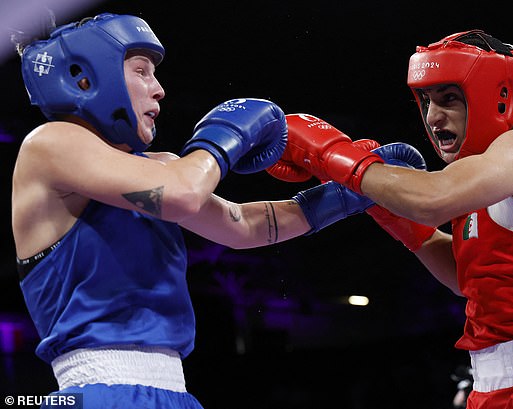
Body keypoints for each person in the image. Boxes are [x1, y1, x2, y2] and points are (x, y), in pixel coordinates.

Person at [10, 11, 424, 409]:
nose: (159, 89)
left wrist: (349, 192)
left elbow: (244, 226)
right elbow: (185, 193)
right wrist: (223, 138)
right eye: (140, 71)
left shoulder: (160, 169)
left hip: (174, 391)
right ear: (86, 76)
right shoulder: (51, 144)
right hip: (99, 388)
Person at [265, 30, 513, 408]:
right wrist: (402, 223)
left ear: (501, 97)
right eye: (425, 100)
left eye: (449, 99)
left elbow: (431, 199)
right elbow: (467, 276)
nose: (433, 116)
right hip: (491, 387)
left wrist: (331, 153)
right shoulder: (479, 179)